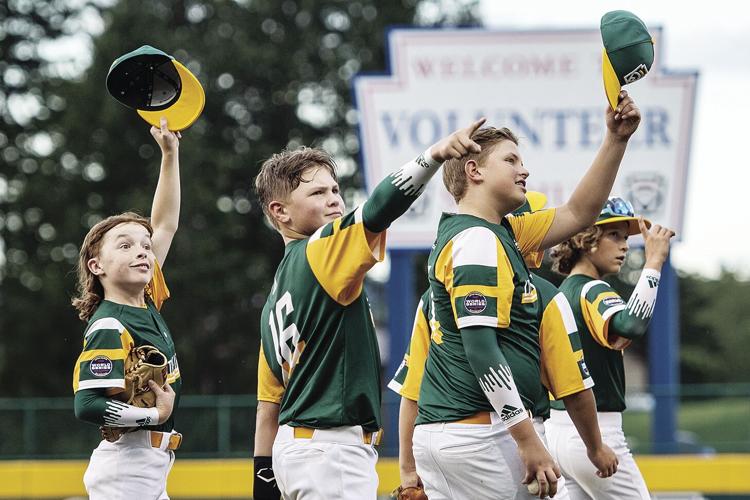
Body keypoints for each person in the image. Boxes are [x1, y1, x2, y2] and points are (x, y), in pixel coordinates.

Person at [413, 90, 640, 499]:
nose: (525, 171)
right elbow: (480, 349)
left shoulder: (501, 233)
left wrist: (615, 139)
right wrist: (527, 439)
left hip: (460, 430)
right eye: (511, 160)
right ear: (473, 170)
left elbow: (578, 214)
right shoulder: (477, 240)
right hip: (482, 432)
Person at [252, 118, 487, 500]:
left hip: (295, 451)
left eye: (334, 188)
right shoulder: (320, 251)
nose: (332, 199)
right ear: (280, 212)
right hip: (331, 450)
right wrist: (435, 155)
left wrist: (262, 481)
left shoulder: (273, 300)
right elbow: (379, 208)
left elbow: (268, 406)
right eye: (316, 193)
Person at [388, 194, 617, 500]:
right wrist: (595, 447)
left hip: (433, 438)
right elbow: (573, 388)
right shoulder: (543, 295)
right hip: (498, 435)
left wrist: (407, 469)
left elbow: (412, 391)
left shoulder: (432, 297)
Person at [71, 117, 182, 499]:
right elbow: (87, 405)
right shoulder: (109, 325)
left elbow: (164, 225)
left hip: (147, 468)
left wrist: (170, 154)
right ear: (96, 266)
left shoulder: (147, 298)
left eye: (144, 246)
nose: (142, 250)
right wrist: (155, 415)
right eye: (124, 245)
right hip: (126, 467)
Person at [545, 197, 675, 500]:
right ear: (585, 239)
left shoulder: (561, 293)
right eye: (613, 234)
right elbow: (630, 325)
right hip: (596, 431)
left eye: (625, 237)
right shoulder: (593, 288)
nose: (625, 245)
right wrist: (653, 262)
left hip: (559, 432)